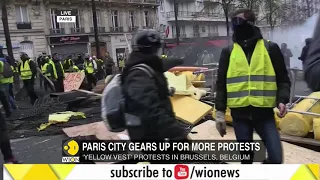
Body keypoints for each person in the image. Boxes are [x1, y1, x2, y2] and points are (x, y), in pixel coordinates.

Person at [215, 9, 291, 164]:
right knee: (246, 160)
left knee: (276, 158)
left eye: (238, 21)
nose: (235, 26)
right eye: (233, 22)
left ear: (250, 23)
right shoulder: (228, 52)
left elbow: (283, 79)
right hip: (239, 115)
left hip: (264, 115)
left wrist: (281, 100)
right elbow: (221, 84)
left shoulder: (270, 49)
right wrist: (220, 113)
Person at [121, 29, 187, 141]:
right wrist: (176, 131)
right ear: (152, 49)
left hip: (151, 133)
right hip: (148, 136)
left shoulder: (147, 67)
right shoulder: (140, 73)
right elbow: (149, 110)